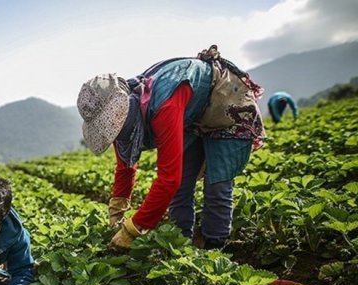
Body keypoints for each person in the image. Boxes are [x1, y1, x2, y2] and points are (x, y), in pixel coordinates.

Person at [77, 45, 266, 251]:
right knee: (183, 184)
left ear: (121, 110)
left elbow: (169, 179)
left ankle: (214, 247)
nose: (114, 131)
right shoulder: (122, 121)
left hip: (228, 104)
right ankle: (180, 245)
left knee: (217, 185)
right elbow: (125, 167)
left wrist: (134, 229)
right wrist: (117, 211)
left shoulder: (163, 105)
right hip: (192, 115)